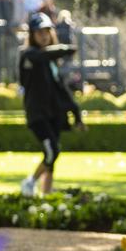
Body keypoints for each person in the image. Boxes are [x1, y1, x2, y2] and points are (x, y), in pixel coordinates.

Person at [18, 12, 85, 196]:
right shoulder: (28, 56)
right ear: (32, 34)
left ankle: (46, 193)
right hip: (37, 114)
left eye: (47, 32)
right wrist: (65, 49)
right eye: (39, 32)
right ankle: (30, 183)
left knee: (52, 154)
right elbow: (40, 56)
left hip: (52, 114)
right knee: (52, 151)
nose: (44, 36)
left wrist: (76, 114)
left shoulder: (51, 63)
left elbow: (61, 90)